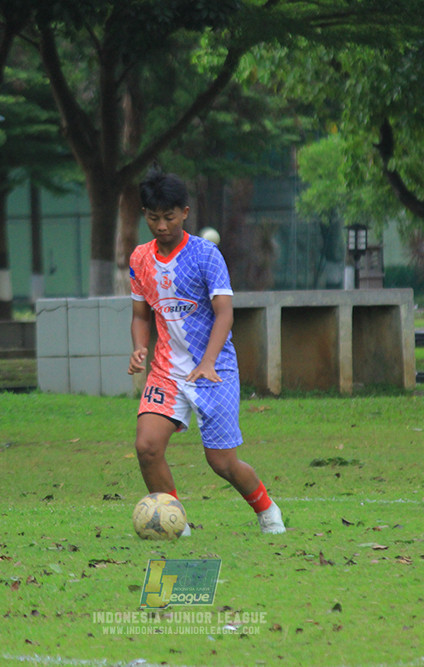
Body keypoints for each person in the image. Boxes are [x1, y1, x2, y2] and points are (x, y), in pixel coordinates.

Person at [127, 168, 285, 535]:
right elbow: (140, 314)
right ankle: (175, 525)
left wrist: (209, 362)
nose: (161, 225)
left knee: (222, 462)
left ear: (184, 213)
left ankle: (267, 509)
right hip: (166, 371)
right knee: (147, 447)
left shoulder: (205, 255)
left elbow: (224, 313)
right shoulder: (140, 259)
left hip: (215, 370)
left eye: (169, 217)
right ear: (144, 215)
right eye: (153, 217)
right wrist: (139, 347)